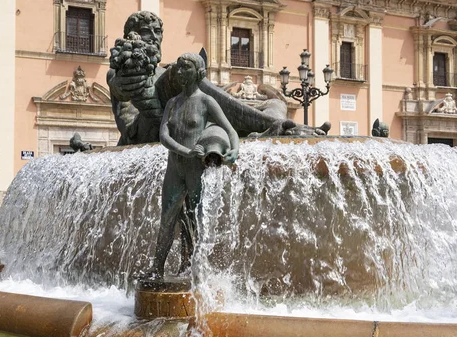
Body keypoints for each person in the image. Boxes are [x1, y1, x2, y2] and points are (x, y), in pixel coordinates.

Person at [107, 11, 330, 146]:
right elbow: (128, 119)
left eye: (158, 32)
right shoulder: (123, 68)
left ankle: (266, 128)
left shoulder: (165, 71)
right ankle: (279, 126)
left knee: (275, 102)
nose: (155, 38)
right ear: (132, 35)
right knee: (185, 67)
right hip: (149, 130)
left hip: (189, 121)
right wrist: (129, 82)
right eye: (147, 31)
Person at [147, 53, 239, 280]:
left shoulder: (206, 101)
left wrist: (234, 150)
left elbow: (231, 130)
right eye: (178, 68)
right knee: (167, 219)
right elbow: (163, 135)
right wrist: (185, 151)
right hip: (175, 168)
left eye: (184, 68)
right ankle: (157, 267)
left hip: (195, 170)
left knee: (196, 219)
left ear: (198, 72)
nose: (179, 72)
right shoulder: (172, 103)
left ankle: (193, 268)